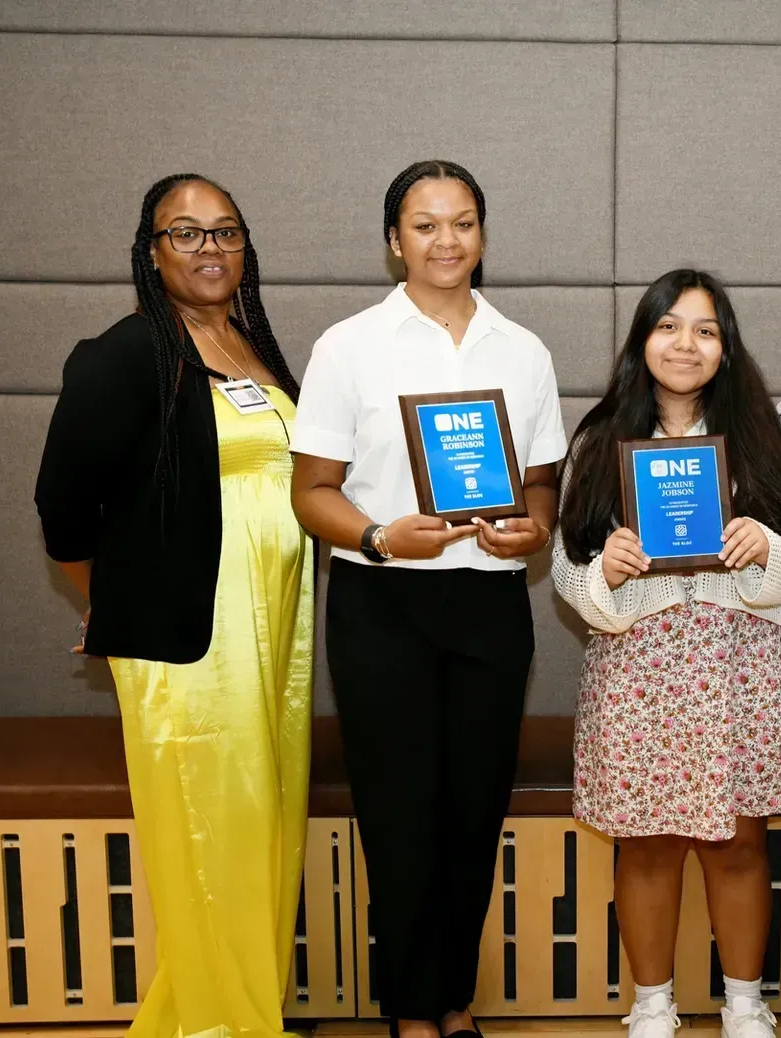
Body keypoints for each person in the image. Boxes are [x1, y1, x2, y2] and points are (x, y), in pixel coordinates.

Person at [288, 160, 566, 1038]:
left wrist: (534, 530)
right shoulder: (347, 346)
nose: (446, 240)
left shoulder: (523, 350)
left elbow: (542, 485)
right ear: (393, 241)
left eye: (463, 222)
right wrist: (376, 536)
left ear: (483, 235)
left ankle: (454, 1002)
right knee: (399, 811)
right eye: (425, 224)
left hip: (489, 606)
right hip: (381, 606)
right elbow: (311, 490)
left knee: (474, 808)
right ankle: (412, 1009)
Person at [35, 173, 313, 1038]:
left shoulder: (252, 345)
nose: (209, 250)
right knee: (212, 835)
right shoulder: (126, 351)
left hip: (276, 641)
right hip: (193, 643)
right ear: (150, 253)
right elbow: (63, 511)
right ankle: (215, 1026)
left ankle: (244, 1008)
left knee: (263, 825)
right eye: (185, 234)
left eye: (225, 232)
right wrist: (117, 601)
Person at [554, 269, 781, 1038]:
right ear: (643, 339)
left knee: (740, 843)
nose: (686, 344)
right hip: (640, 668)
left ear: (726, 349)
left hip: (739, 664)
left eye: (705, 330)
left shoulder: (763, 436)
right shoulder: (601, 440)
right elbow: (568, 568)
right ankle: (652, 1006)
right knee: (646, 845)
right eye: (669, 326)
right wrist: (604, 570)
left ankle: (743, 1003)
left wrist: (763, 546)